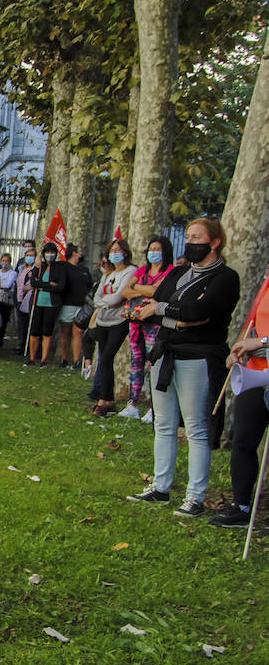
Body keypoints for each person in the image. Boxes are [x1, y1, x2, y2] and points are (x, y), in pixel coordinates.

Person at [127, 218, 239, 517]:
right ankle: (160, 487)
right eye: (188, 236)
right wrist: (174, 317)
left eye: (196, 237)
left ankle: (195, 496)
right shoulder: (177, 273)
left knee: (195, 428)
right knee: (163, 424)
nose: (190, 242)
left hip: (198, 357)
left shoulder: (225, 278)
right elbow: (152, 308)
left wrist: (163, 311)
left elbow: (200, 313)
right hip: (165, 352)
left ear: (214, 242)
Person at [215, 288, 269, 528]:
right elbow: (255, 325)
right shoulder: (266, 286)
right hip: (256, 373)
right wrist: (240, 348)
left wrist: (262, 342)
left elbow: (260, 337)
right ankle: (241, 506)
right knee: (244, 440)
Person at [118, 235, 174, 421]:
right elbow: (125, 291)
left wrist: (139, 287)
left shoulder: (170, 272)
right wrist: (147, 288)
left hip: (155, 323)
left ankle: (153, 406)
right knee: (136, 362)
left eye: (158, 249)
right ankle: (133, 403)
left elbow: (157, 292)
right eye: (151, 249)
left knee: (153, 364)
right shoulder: (142, 270)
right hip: (135, 321)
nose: (154, 253)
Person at [88, 239, 137, 417]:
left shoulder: (131, 271)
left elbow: (119, 296)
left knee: (108, 357)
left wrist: (106, 302)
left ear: (125, 252)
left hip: (119, 321)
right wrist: (105, 303)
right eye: (112, 250)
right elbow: (97, 297)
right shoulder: (108, 273)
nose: (114, 253)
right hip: (103, 320)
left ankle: (103, 399)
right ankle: (108, 400)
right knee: (103, 359)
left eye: (118, 250)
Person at [27, 242, 64, 366]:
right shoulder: (39, 267)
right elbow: (34, 283)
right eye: (48, 252)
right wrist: (49, 285)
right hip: (37, 302)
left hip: (51, 304)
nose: (50, 255)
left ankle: (43, 359)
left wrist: (43, 286)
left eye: (52, 252)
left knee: (47, 332)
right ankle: (32, 358)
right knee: (34, 331)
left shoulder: (60, 268)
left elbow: (60, 286)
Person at [59, 246, 92, 368]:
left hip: (82, 305)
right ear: (74, 253)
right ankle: (64, 358)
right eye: (79, 251)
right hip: (67, 304)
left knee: (78, 332)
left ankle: (77, 360)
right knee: (65, 332)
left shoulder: (84, 269)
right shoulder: (64, 267)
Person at [0, 251, 16, 348]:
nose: (4, 263)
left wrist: (0, 285)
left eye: (7, 261)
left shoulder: (13, 273)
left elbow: (8, 285)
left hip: (6, 300)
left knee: (3, 320)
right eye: (3, 260)